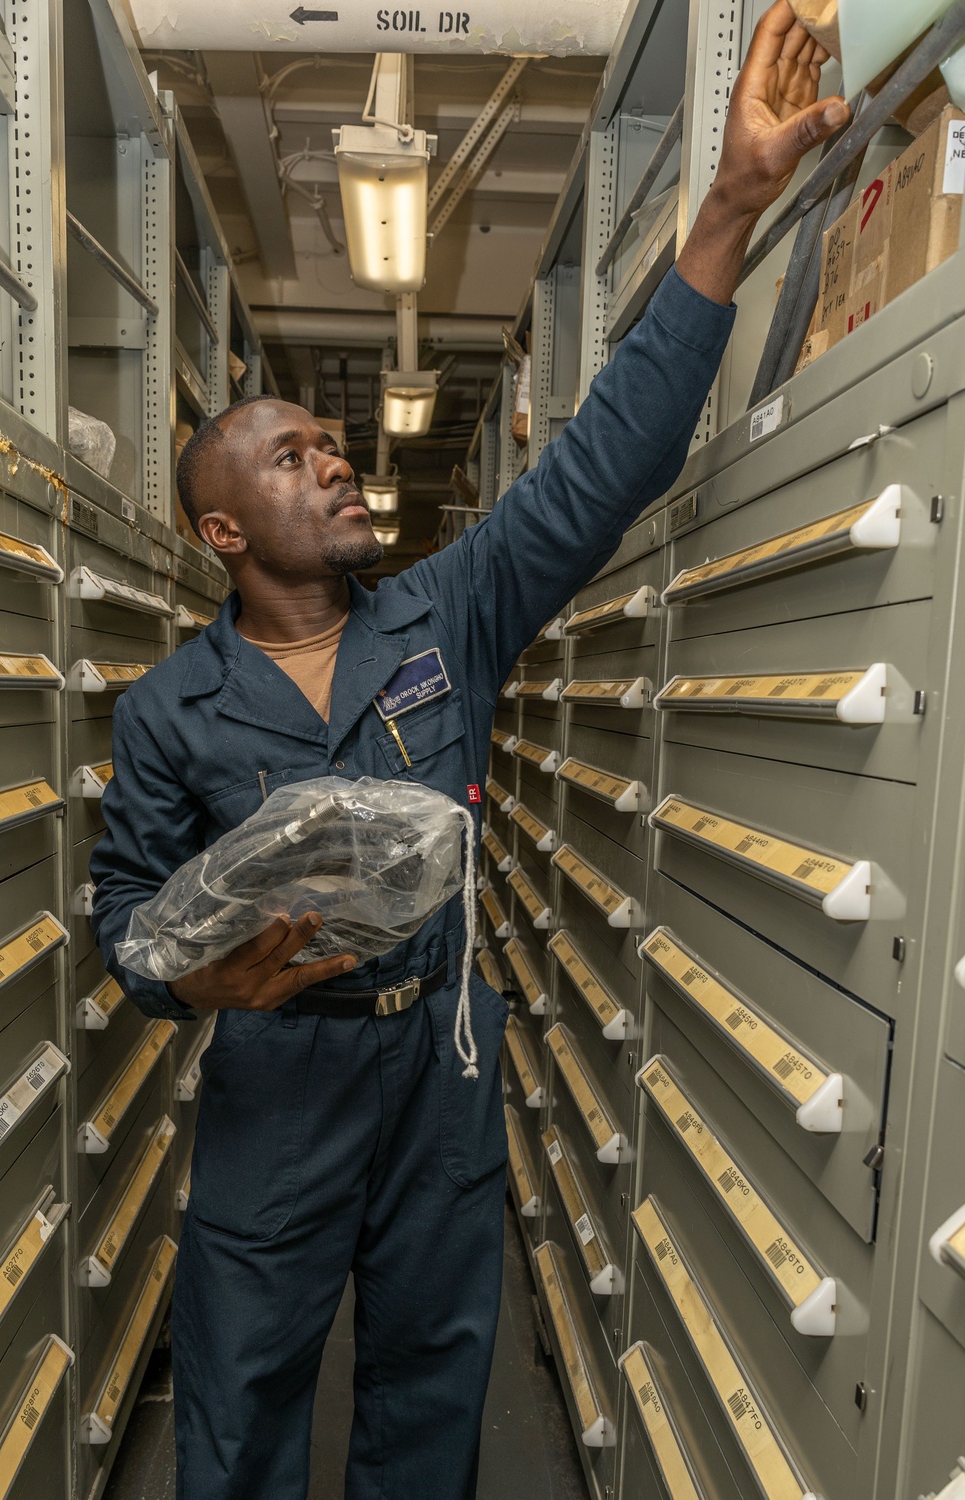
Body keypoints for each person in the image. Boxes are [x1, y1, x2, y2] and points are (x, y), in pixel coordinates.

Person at [90, 7, 846, 1497]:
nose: (336, 463)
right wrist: (190, 982)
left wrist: (730, 207)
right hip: (276, 1082)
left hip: (438, 1059)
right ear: (222, 531)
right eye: (293, 457)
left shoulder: (449, 609)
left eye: (333, 446)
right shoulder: (170, 708)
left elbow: (603, 461)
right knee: (237, 1407)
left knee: (432, 1399)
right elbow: (125, 915)